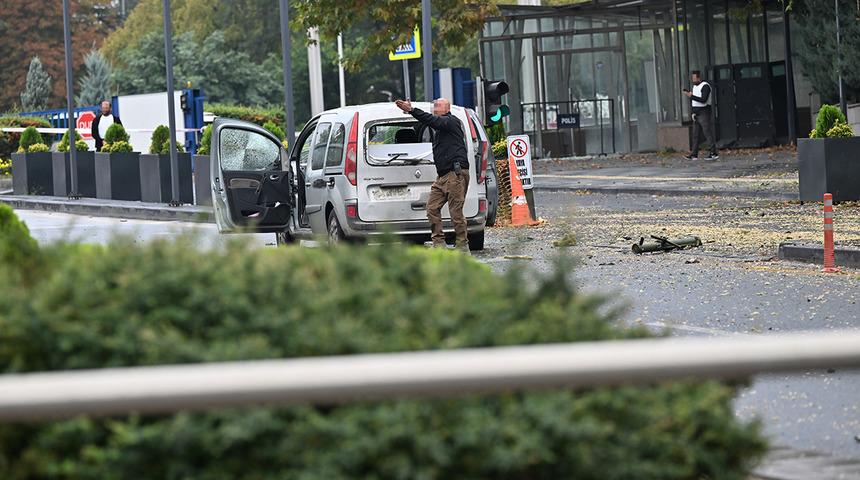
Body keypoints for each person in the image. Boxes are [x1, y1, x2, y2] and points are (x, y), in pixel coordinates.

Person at [394, 98, 470, 252]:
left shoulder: (450, 121)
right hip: (443, 176)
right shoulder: (440, 126)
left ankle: (462, 245)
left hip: (455, 174)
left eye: (437, 106)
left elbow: (432, 120)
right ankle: (439, 243)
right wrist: (411, 113)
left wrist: (412, 110)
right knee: (432, 208)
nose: (434, 108)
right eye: (434, 106)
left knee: (455, 212)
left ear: (446, 108)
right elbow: (428, 121)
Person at [683, 71, 718, 160]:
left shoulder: (705, 86)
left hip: (704, 111)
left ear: (699, 78)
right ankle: (694, 154)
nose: (693, 80)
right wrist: (693, 112)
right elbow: (695, 102)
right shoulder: (695, 87)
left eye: (695, 79)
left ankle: (713, 152)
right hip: (696, 112)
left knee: (707, 132)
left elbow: (703, 100)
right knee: (695, 134)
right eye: (692, 79)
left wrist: (691, 96)